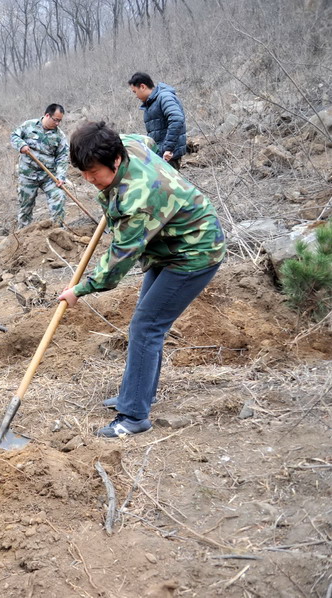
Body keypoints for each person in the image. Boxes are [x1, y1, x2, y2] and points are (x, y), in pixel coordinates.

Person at [57, 122, 226, 438]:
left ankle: (134, 416)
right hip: (169, 245)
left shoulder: (138, 197)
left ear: (116, 161)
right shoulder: (126, 143)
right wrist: (111, 190)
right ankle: (139, 395)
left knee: (146, 326)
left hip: (195, 251)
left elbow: (120, 259)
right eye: (83, 172)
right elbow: (146, 140)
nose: (89, 179)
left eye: (94, 173)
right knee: (146, 324)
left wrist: (79, 289)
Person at [10, 104, 69, 228]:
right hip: (28, 175)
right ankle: (23, 235)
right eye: (56, 120)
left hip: (48, 176)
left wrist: (61, 176)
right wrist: (21, 145)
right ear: (47, 115)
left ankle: (58, 231)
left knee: (59, 197)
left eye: (60, 121)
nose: (58, 123)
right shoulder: (28, 125)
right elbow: (14, 136)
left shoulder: (59, 136)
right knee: (25, 208)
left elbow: (63, 157)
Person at [128, 72, 187, 170]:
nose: (136, 96)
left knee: (168, 185)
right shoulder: (152, 102)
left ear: (142, 87)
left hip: (168, 156)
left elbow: (177, 119)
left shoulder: (164, 97)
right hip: (160, 155)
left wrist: (168, 148)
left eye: (135, 91)